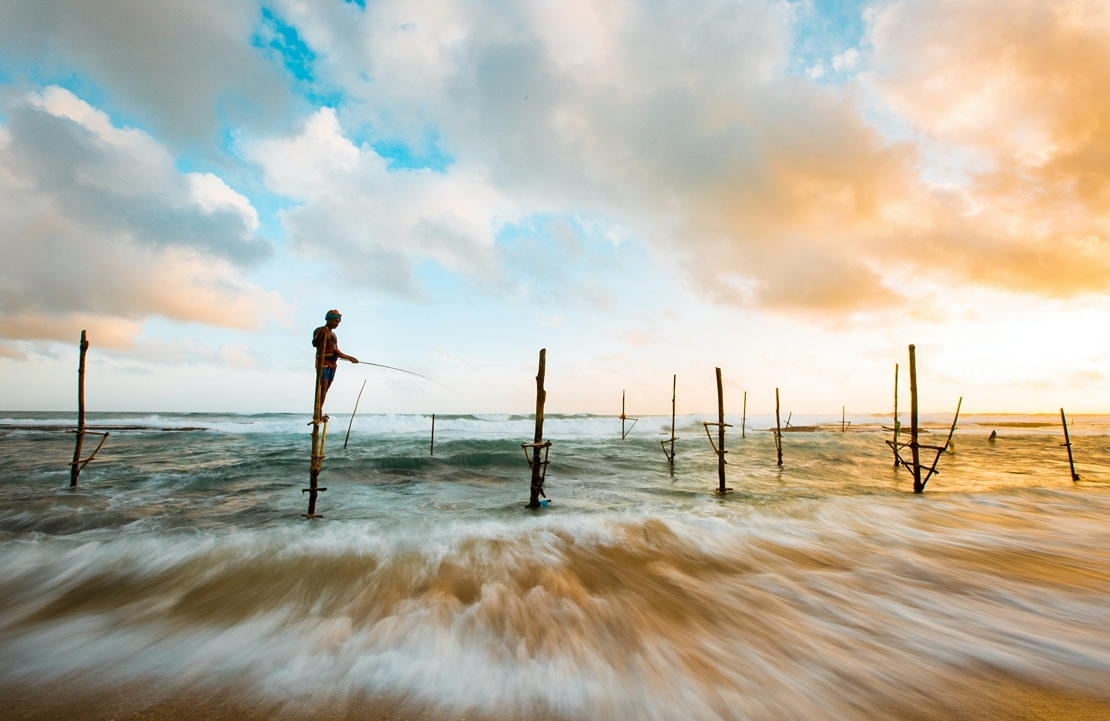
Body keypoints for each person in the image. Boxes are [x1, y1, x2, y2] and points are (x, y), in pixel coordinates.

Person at [312, 309, 359, 413]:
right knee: (322, 386)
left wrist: (350, 358)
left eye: (338, 322)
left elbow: (337, 351)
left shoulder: (334, 335)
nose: (336, 323)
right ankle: (317, 410)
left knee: (327, 387)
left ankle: (320, 408)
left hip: (332, 365)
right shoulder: (319, 330)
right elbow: (314, 343)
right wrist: (321, 334)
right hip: (323, 363)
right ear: (328, 320)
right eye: (334, 321)